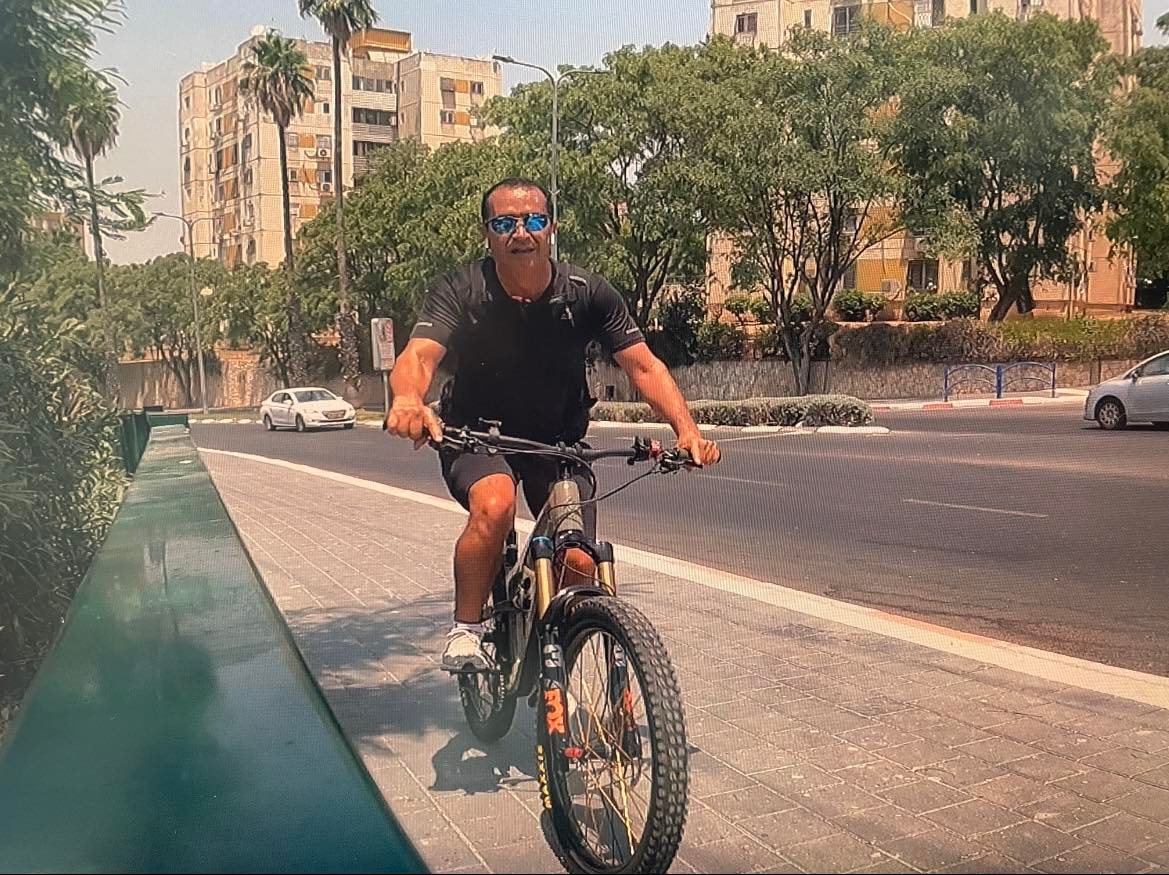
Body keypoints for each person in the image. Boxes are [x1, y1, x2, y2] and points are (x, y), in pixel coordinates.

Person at [385, 178, 721, 672]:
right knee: (495, 504)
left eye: (534, 220)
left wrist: (686, 431)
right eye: (505, 223)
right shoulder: (463, 289)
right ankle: (466, 629)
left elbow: (643, 366)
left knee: (579, 561)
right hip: (476, 434)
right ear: (488, 233)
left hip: (557, 441)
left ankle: (555, 652)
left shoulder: (587, 293)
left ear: (551, 228)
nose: (521, 233)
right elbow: (419, 355)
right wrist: (408, 399)